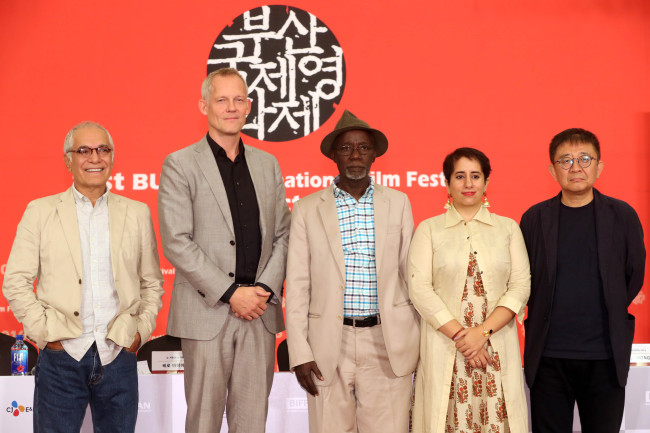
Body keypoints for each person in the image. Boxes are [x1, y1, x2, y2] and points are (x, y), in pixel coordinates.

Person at [2, 121, 164, 433]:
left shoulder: (137, 212)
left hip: (118, 353)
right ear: (68, 160)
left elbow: (152, 282)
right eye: (84, 150)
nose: (95, 158)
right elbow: (16, 280)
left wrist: (139, 333)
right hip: (61, 356)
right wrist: (45, 333)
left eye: (103, 150)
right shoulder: (40, 211)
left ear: (113, 158)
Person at [158, 67, 291, 433]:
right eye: (221, 99)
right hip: (208, 313)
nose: (231, 107)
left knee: (252, 424)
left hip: (259, 314)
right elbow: (177, 241)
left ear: (249, 107)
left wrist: (262, 291)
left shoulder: (268, 164)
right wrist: (232, 293)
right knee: (202, 423)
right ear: (204, 105)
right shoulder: (180, 164)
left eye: (238, 99)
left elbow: (283, 234)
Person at [285, 110, 420, 433]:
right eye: (346, 148)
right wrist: (299, 352)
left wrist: (420, 340)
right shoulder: (306, 209)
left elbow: (411, 277)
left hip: (387, 342)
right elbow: (298, 285)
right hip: (327, 345)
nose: (355, 155)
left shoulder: (399, 203)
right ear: (334, 155)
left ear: (374, 154)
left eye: (363, 148)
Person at [520, 128, 646, 432]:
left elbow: (634, 273)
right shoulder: (534, 219)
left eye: (585, 158)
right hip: (548, 357)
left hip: (605, 356)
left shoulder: (622, 216)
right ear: (552, 170)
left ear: (599, 166)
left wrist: (613, 305)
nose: (576, 167)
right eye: (565, 160)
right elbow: (523, 278)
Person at [408, 147, 530, 432]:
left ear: (486, 182)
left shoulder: (508, 228)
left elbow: (520, 286)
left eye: (476, 176)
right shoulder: (428, 230)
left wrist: (482, 333)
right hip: (447, 348)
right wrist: (465, 338)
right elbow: (419, 288)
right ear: (447, 183)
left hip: (494, 350)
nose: (468, 183)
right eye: (459, 176)